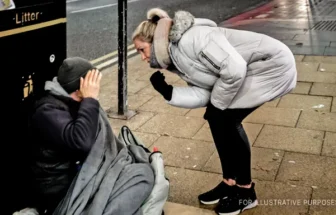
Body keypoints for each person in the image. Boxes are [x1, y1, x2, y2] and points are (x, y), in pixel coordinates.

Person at [132, 8, 297, 215]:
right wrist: (169, 92)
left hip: (271, 66)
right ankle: (229, 182)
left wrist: (217, 107)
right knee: (217, 118)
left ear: (155, 41)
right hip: (250, 70)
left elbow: (234, 69)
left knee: (226, 119)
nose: (142, 57)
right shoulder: (175, 55)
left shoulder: (191, 39)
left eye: (141, 49)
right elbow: (206, 91)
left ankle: (246, 192)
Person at [28, 57, 155, 214]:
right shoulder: (46, 111)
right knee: (141, 177)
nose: (96, 90)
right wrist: (90, 100)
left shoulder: (73, 102)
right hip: (66, 192)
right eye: (92, 86)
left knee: (142, 172)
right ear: (80, 88)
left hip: (83, 174)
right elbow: (81, 141)